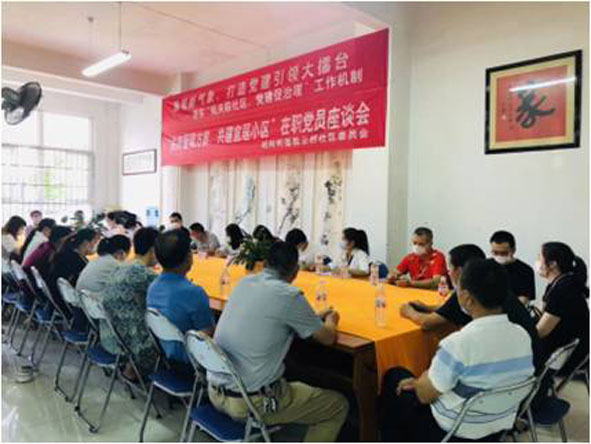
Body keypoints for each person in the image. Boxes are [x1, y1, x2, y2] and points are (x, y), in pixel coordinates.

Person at [380, 259, 535, 441]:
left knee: (394, 377)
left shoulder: (458, 343)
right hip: (497, 426)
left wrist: (420, 381)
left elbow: (424, 395)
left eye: (457, 289)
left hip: (453, 431)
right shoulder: (522, 335)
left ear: (467, 298)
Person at [208, 241, 348, 442]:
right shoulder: (289, 295)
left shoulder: (245, 282)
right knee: (337, 406)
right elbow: (327, 338)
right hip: (250, 403)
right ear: (296, 271)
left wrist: (310, 318)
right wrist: (332, 321)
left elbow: (269, 318)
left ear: (265, 263)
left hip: (215, 392)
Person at [400, 244, 543, 373]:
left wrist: (408, 311)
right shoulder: (494, 286)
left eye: (450, 268)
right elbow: (450, 310)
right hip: (526, 367)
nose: (448, 273)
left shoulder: (468, 292)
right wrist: (427, 308)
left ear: (460, 271)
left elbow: (428, 323)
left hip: (505, 368)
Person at [147, 229, 215, 367]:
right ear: (189, 257)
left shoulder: (153, 287)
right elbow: (207, 334)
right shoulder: (194, 293)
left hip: (164, 354)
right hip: (192, 360)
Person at [101, 227, 160, 379]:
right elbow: (169, 296)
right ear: (153, 250)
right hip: (132, 345)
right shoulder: (144, 274)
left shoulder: (120, 267)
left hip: (109, 336)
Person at [535, 242, 589, 376]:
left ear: (553, 264)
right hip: (563, 346)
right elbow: (542, 315)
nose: (537, 262)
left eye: (539, 257)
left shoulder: (563, 290)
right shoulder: (559, 283)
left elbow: (541, 332)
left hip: (566, 356)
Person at [48, 228, 99, 330]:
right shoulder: (75, 259)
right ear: (86, 242)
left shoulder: (70, 253)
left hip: (57, 299)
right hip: (65, 303)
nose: (96, 246)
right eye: (95, 242)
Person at [490, 231, 535, 304]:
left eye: (503, 253)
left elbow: (524, 300)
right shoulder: (484, 268)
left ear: (513, 250)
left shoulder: (525, 271)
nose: (499, 256)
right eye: (495, 252)